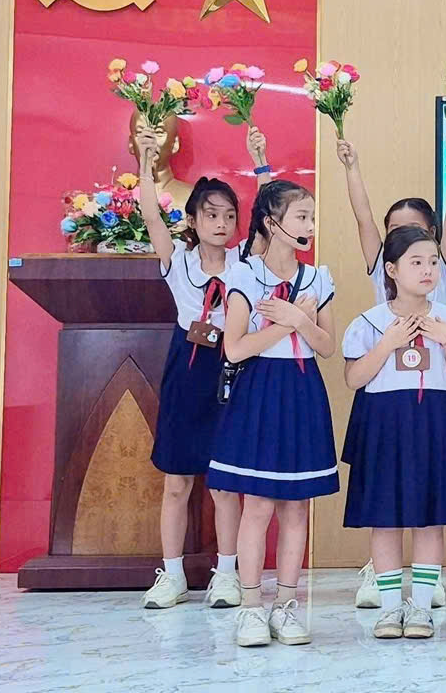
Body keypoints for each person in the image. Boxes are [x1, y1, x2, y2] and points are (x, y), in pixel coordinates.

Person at [139, 126, 271, 611]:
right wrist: (147, 162)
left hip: (233, 368)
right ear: (192, 219)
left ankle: (228, 575)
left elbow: (270, 218)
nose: (221, 223)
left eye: (229, 215)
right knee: (177, 480)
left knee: (225, 484)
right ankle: (172, 575)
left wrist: (260, 160)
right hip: (187, 367)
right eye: (211, 214)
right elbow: (150, 213)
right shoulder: (177, 260)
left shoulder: (244, 262)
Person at [208, 180, 338, 648]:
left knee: (296, 505)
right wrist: (285, 323)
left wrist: (300, 319)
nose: (310, 225)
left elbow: (327, 346)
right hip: (260, 390)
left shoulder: (318, 278)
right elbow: (235, 347)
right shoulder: (243, 275)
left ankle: (286, 605)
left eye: (311, 217)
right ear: (271, 222)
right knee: (258, 504)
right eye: (301, 216)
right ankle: (250, 608)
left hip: (302, 391)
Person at [337, 132, 446, 610]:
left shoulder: (443, 278)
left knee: (430, 506)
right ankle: (384, 581)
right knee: (385, 501)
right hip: (384, 391)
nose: (413, 249)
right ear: (391, 264)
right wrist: (351, 167)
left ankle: (427, 587)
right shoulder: (376, 291)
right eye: (397, 234)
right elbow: (362, 216)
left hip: (433, 394)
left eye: (418, 234)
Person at [341, 225, 446, 640]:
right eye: (416, 262)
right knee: (385, 520)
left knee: (430, 520)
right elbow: (354, 378)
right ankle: (389, 609)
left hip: (435, 422)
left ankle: (420, 607)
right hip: (385, 423)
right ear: (392, 269)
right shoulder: (369, 322)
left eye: (432, 262)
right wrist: (389, 343)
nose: (427, 270)